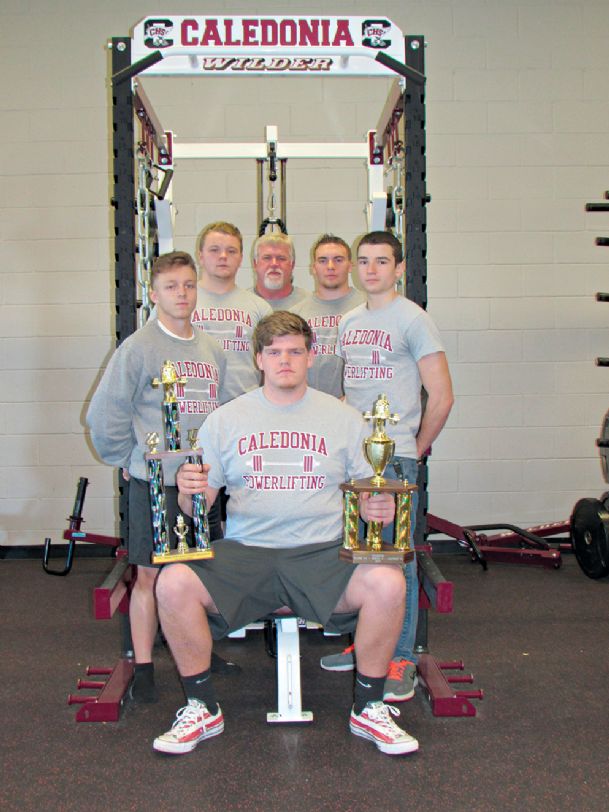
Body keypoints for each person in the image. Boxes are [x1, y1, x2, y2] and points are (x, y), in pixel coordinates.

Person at [152, 311, 419, 757]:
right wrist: (186, 491)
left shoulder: (345, 419)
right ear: (259, 358)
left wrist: (380, 509)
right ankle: (201, 705)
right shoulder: (226, 419)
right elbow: (193, 508)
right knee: (173, 581)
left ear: (311, 357)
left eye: (295, 351)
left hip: (323, 553)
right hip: (246, 551)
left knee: (389, 581)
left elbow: (375, 501)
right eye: (274, 352)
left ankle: (369, 707)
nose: (285, 361)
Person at [87, 251, 227, 703]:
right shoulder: (137, 348)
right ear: (154, 293)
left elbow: (220, 415)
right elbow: (104, 414)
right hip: (154, 484)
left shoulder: (211, 349)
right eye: (171, 286)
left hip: (199, 484)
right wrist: (130, 461)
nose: (181, 294)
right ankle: (143, 669)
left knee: (199, 577)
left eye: (188, 285)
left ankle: (204, 655)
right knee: (148, 577)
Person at [322, 231, 454, 704]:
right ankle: (367, 645)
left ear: (399, 268)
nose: (370, 269)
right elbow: (349, 393)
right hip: (355, 456)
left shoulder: (414, 320)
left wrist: (414, 450)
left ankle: (399, 658)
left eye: (381, 261)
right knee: (362, 556)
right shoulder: (351, 321)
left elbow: (441, 395)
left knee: (398, 560)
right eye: (364, 261)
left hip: (394, 455)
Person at [191, 221, 272, 401]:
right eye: (214, 250)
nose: (223, 256)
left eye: (231, 251)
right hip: (193, 411)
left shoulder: (259, 308)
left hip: (244, 412)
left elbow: (273, 365)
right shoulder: (180, 302)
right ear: (200, 256)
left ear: (241, 258)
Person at [292, 233, 365, 398]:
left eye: (338, 260)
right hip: (309, 408)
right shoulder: (296, 314)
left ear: (350, 266)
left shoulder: (369, 306)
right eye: (323, 260)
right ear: (313, 267)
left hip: (356, 408)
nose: (330, 266)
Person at [251, 232, 310, 310]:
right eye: (267, 258)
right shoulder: (243, 304)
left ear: (292, 264)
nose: (274, 264)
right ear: (255, 264)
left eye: (281, 258)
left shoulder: (308, 303)